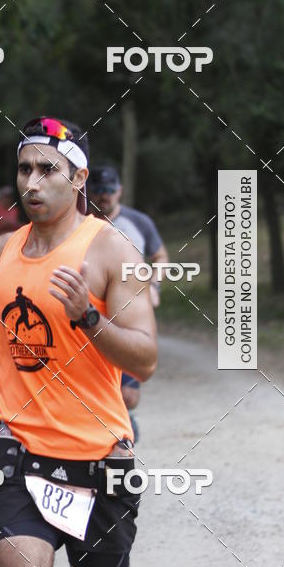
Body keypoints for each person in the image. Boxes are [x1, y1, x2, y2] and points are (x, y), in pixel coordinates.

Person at [0, 116, 157, 567]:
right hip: (19, 451)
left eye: (48, 169)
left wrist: (89, 318)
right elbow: (16, 331)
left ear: (78, 178)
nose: (33, 181)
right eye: (24, 168)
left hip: (99, 457)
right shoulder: (2, 250)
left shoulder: (111, 249)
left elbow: (146, 359)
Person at [87, 166, 168, 444]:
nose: (104, 197)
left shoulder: (138, 222)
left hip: (130, 315)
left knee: (128, 396)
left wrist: (154, 286)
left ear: (120, 190)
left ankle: (121, 422)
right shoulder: (79, 223)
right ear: (88, 192)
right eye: (98, 191)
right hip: (90, 316)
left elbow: (160, 256)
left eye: (110, 191)